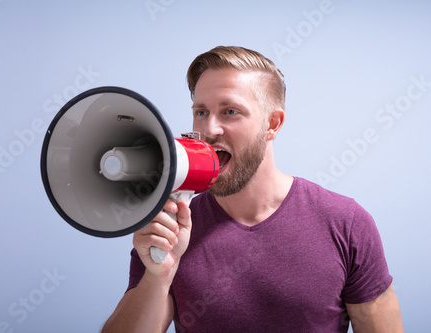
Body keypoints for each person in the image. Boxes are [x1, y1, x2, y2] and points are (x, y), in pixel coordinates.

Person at [102, 46, 404, 332]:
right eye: (202, 112)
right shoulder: (172, 226)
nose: (210, 130)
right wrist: (160, 275)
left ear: (272, 124)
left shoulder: (346, 223)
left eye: (230, 112)